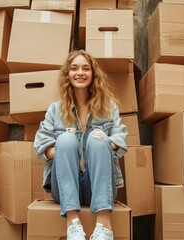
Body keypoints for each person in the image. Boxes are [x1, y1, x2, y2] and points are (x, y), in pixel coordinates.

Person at [34, 49, 128, 240]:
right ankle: (73, 224)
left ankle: (104, 226)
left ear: (93, 75)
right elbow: (41, 145)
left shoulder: (108, 106)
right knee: (65, 140)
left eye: (86, 68)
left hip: (99, 186)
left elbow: (120, 139)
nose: (80, 73)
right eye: (74, 68)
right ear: (67, 74)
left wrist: (103, 144)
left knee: (97, 138)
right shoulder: (56, 109)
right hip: (66, 187)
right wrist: (64, 148)